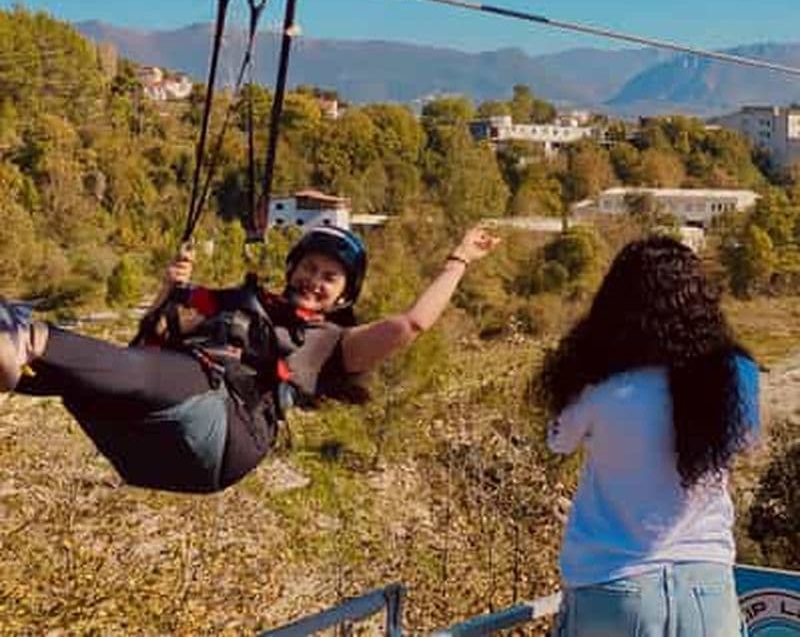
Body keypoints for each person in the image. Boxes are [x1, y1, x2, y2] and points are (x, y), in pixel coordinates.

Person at [0, 224, 499, 494]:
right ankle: (20, 358)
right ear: (292, 269)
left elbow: (410, 325)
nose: (314, 280)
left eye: (330, 277)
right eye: (309, 268)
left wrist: (458, 261)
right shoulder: (239, 304)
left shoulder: (334, 345)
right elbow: (147, 344)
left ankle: (27, 335)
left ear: (344, 296)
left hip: (225, 438)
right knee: (84, 377)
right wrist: (169, 288)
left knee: (197, 373)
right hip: (152, 445)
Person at [533, 235, 760, 637]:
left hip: (613, 584)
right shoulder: (734, 373)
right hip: (707, 588)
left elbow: (558, 441)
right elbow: (744, 443)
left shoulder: (597, 384)